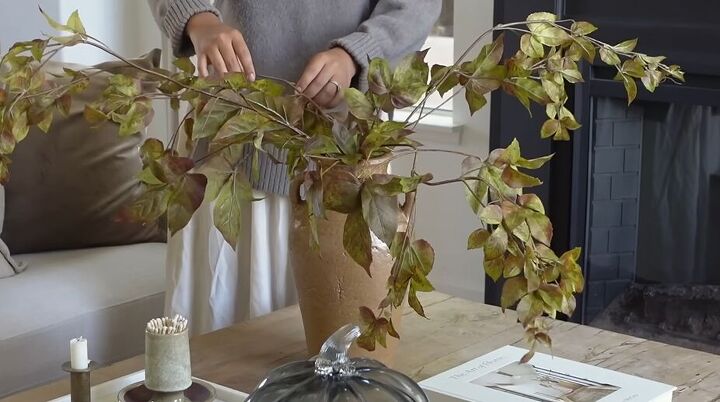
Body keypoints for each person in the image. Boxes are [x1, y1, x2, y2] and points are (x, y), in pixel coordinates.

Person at [148, 0, 441, 334]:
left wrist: (356, 55)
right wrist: (196, 19)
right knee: (217, 364)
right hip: (230, 160)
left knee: (340, 358)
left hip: (342, 170)